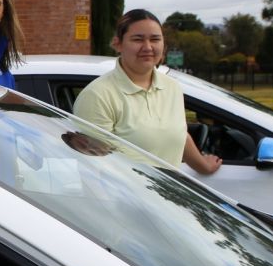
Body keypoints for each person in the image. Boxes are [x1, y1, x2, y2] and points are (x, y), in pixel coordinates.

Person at [72, 9, 221, 174]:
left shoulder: (172, 88)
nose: (148, 47)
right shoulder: (98, 96)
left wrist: (204, 166)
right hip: (122, 199)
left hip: (167, 197)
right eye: (138, 39)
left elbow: (178, 134)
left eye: (155, 39)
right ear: (118, 44)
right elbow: (93, 168)